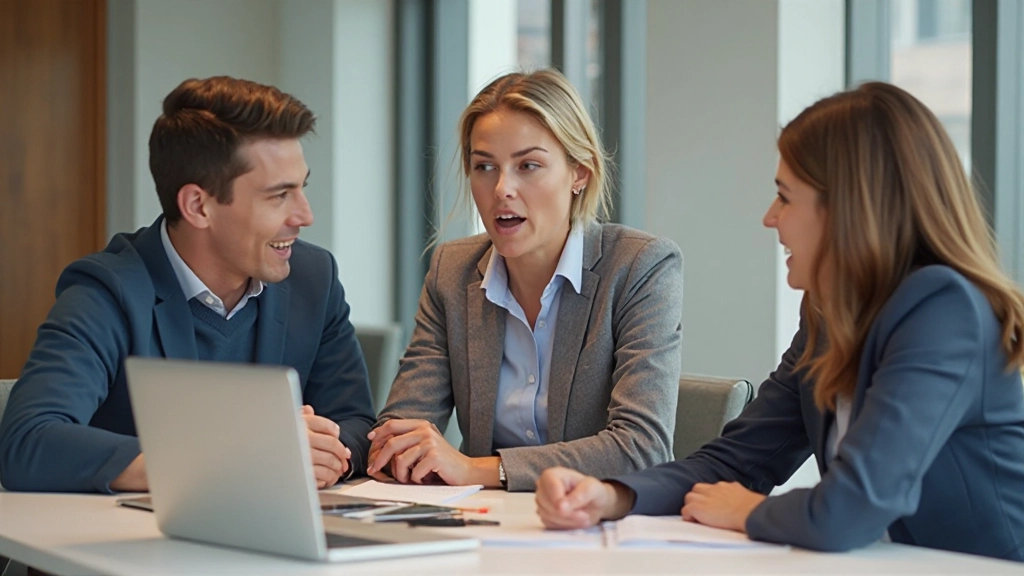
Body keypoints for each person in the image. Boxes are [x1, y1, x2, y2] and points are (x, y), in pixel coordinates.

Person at [534, 82, 1024, 561]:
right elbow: (735, 461)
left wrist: (748, 512)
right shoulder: (829, 315)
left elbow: (852, 509)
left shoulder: (944, 311)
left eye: (786, 197)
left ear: (849, 209)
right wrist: (610, 496)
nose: (771, 218)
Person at [0, 76, 376, 493]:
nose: (304, 215)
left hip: (286, 539)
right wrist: (234, 459)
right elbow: (27, 443)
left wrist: (323, 455)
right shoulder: (106, 291)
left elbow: (358, 425)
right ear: (199, 206)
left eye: (302, 188)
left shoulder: (314, 278)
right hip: (135, 549)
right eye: (278, 196)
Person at [368, 69, 683, 492]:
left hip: (598, 532)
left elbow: (641, 448)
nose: (502, 189)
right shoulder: (452, 269)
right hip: (485, 526)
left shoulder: (639, 267)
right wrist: (402, 452)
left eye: (528, 166)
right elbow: (402, 428)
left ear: (579, 173)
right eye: (485, 167)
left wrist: (477, 469)